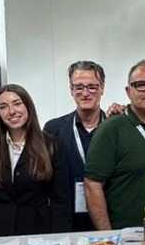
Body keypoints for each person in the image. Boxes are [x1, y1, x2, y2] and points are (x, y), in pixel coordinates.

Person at [84, 60, 145, 230]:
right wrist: (107, 235)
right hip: (128, 234)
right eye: (141, 85)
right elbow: (92, 184)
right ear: (128, 91)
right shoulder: (111, 128)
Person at [0, 84, 70, 237]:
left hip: (39, 234)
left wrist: (59, 238)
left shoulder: (51, 145)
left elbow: (61, 200)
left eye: (17, 103)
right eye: (3, 106)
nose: (11, 111)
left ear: (28, 106)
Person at [43, 60, 108, 232]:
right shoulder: (53, 129)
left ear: (102, 88)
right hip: (66, 223)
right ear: (71, 90)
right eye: (79, 87)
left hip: (108, 219)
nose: (85, 93)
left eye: (92, 87)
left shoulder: (115, 127)